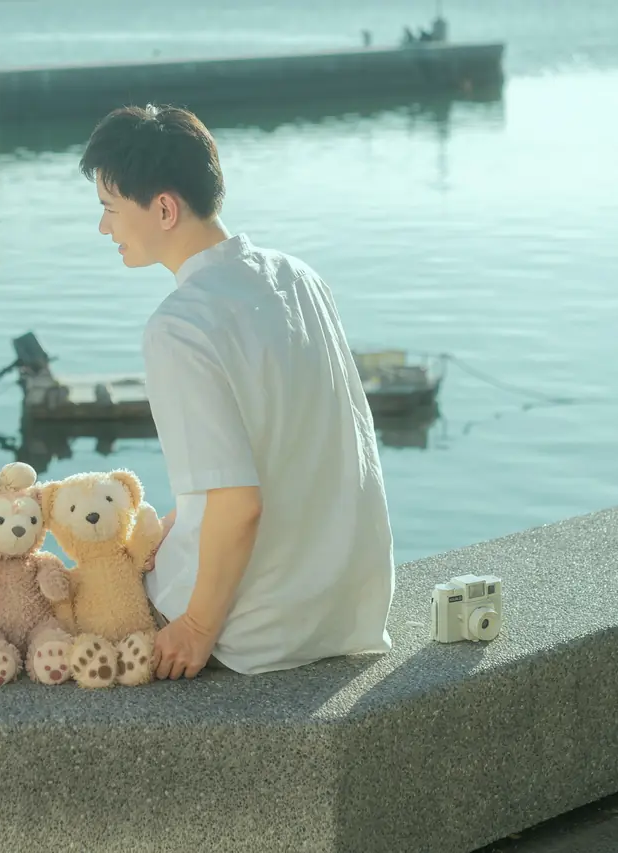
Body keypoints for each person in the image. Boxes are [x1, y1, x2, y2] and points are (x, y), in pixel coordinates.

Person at [77, 104, 396, 679]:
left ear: (165, 208)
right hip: (349, 611)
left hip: (253, 630)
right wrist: (183, 516)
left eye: (109, 208)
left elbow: (239, 504)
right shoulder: (299, 277)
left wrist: (197, 627)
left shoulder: (179, 326)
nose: (103, 228)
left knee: (75, 599)